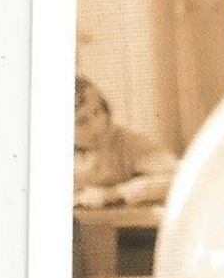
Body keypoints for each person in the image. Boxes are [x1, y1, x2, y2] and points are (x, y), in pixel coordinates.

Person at [73, 76, 179, 208]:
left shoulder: (126, 142)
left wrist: (113, 194)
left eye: (97, 111)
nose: (97, 126)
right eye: (81, 121)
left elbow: (178, 178)